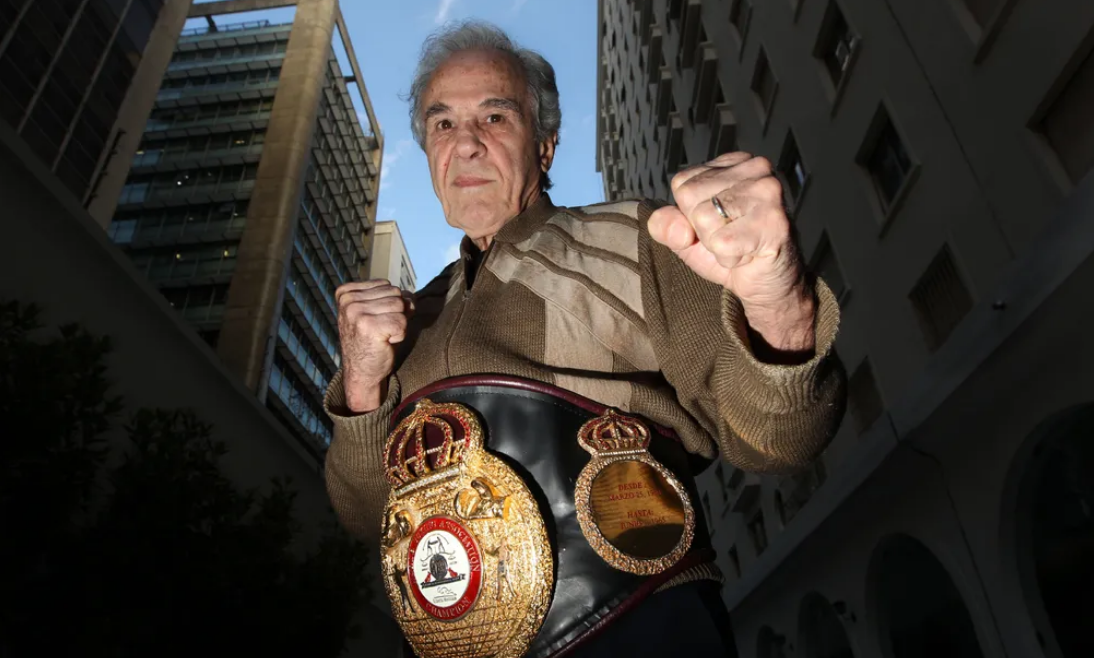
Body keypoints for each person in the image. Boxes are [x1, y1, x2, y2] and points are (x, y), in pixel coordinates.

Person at [324, 20, 847, 658]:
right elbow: (363, 516)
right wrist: (361, 384)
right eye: (442, 124)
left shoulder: (637, 239)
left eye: (494, 117)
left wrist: (774, 297)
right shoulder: (408, 319)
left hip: (637, 628)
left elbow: (781, 439)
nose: (465, 144)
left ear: (545, 146)